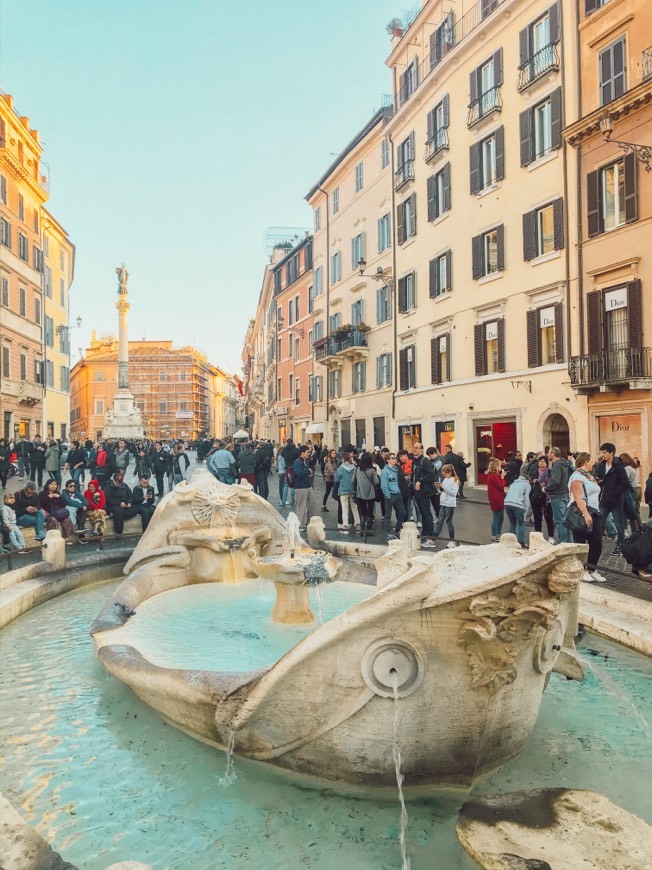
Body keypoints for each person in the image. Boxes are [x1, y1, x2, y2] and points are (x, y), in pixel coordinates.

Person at [568, 452, 605, 583]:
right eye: (591, 461)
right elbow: (577, 497)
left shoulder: (589, 476)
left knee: (597, 543)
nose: (593, 463)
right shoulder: (576, 477)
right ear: (585, 462)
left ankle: (592, 569)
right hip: (581, 513)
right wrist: (585, 513)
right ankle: (581, 570)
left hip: (595, 512)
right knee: (581, 544)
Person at [595, 443, 629, 557]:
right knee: (599, 521)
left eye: (604, 453)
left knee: (619, 524)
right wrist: (599, 481)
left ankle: (620, 546)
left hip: (616, 501)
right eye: (602, 452)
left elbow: (625, 483)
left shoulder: (618, 466)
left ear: (611, 453)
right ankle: (596, 543)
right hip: (604, 500)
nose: (602, 455)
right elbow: (602, 479)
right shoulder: (601, 465)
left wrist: (614, 493)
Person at [423, 464, 460, 549]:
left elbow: (453, 493)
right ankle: (432, 540)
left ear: (450, 472)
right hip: (443, 503)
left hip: (450, 504)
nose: (444, 475)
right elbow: (443, 491)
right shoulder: (445, 479)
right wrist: (439, 487)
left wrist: (443, 486)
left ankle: (452, 541)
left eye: (445, 474)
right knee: (439, 522)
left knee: (448, 522)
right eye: (443, 474)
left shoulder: (455, 480)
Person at [545, 447, 570, 543]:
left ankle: (563, 542)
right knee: (565, 521)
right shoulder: (564, 464)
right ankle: (567, 542)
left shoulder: (556, 466)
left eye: (548, 453)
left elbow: (555, 481)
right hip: (564, 495)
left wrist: (546, 488)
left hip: (557, 496)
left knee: (560, 522)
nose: (547, 455)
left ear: (552, 454)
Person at [39, 478, 76, 543]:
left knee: (67, 519)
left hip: (58, 513)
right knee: (53, 520)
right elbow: (40, 503)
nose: (53, 486)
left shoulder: (57, 493)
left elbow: (64, 505)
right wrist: (48, 497)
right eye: (51, 484)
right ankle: (51, 538)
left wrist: (59, 497)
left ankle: (66, 537)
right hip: (49, 513)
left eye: (55, 484)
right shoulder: (42, 493)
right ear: (48, 485)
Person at [380, 452, 406, 540]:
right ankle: (388, 533)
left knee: (403, 512)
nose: (394, 459)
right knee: (388, 515)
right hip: (390, 495)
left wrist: (398, 492)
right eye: (392, 458)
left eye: (394, 457)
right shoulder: (384, 471)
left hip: (397, 494)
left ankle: (397, 530)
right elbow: (383, 485)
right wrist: (388, 495)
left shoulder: (395, 470)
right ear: (388, 460)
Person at [529, 456, 556, 544]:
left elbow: (552, 483)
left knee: (549, 518)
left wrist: (544, 484)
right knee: (537, 518)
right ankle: (538, 536)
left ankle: (551, 537)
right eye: (540, 461)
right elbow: (529, 483)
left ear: (547, 463)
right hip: (536, 497)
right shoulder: (534, 472)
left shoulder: (550, 473)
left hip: (547, 498)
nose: (541, 463)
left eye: (543, 461)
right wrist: (532, 482)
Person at [412, 443, 436, 541]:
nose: (415, 449)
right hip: (416, 491)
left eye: (417, 448)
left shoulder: (424, 460)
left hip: (424, 490)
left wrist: (420, 480)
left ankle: (430, 534)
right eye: (414, 448)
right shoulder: (415, 460)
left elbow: (431, 474)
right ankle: (425, 532)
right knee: (422, 512)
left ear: (422, 450)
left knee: (426, 512)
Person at [504, 470, 532, 549]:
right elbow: (526, 498)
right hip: (517, 505)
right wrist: (526, 510)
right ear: (527, 480)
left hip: (507, 503)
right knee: (521, 523)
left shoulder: (513, 483)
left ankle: (511, 542)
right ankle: (521, 542)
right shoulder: (526, 485)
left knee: (512, 523)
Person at [334, 452, 360, 534]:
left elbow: (336, 479)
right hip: (352, 491)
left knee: (344, 509)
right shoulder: (354, 468)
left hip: (343, 490)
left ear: (342, 459)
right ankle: (358, 525)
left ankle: (345, 527)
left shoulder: (340, 468)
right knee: (355, 509)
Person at [355, 452, 379, 537]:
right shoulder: (372, 470)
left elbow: (352, 480)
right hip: (370, 493)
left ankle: (362, 529)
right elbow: (376, 481)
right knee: (370, 512)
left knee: (362, 511)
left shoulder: (357, 469)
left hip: (360, 493)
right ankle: (368, 529)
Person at [293, 445, 316, 531]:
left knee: (312, 505)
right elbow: (299, 474)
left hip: (308, 486)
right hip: (301, 487)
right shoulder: (297, 462)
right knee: (301, 507)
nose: (308, 454)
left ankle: (309, 523)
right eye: (307, 452)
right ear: (302, 453)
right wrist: (307, 469)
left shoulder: (306, 461)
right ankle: (300, 525)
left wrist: (309, 473)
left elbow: (305, 473)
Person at [619, 453, 641, 534]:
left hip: (633, 490)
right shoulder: (634, 467)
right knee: (636, 510)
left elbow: (625, 479)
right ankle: (639, 528)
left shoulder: (627, 468)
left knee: (630, 510)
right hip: (639, 488)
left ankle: (633, 530)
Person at [486, 457, 507, 542]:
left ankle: (498, 534)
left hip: (499, 498)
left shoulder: (495, 475)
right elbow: (501, 486)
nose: (500, 468)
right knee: (496, 517)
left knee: (501, 517)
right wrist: (502, 477)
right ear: (495, 467)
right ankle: (494, 536)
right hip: (496, 499)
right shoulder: (493, 476)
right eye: (499, 466)